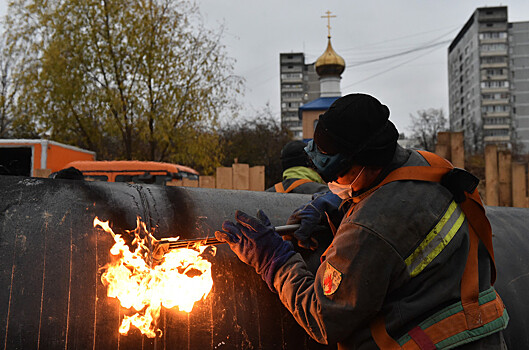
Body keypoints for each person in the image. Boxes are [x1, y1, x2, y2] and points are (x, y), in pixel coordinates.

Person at [215, 93, 508, 349]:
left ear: (364, 163)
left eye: (336, 175)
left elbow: (323, 318)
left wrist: (273, 261)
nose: (331, 183)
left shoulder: (369, 229)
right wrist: (338, 207)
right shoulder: (425, 164)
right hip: (479, 331)